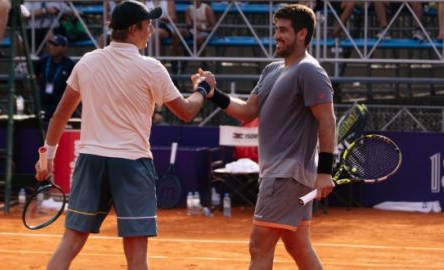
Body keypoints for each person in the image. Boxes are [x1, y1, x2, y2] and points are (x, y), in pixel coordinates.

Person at [34, 1, 215, 269]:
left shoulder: (87, 61)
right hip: (132, 162)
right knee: (136, 252)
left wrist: (47, 157)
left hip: (91, 160)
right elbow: (187, 112)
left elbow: (59, 115)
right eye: (148, 24)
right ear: (134, 28)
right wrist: (202, 88)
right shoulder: (151, 68)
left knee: (70, 242)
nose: (152, 29)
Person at [204, 4, 336, 269]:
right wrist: (213, 94)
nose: (277, 35)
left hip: (286, 176)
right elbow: (247, 111)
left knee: (259, 245)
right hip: (279, 174)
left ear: (302, 34)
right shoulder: (271, 70)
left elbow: (327, 121)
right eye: (276, 29)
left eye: (284, 30)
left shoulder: (310, 71)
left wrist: (325, 171)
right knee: (298, 246)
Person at [34, 34, 75, 123]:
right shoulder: (43, 61)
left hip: (61, 104)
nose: (52, 47)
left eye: (56, 45)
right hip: (44, 103)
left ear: (64, 48)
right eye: (51, 44)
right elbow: (35, 74)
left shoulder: (70, 64)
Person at [185, 0, 216, 69]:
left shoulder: (206, 8)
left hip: (205, 31)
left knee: (198, 38)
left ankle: (204, 62)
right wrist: (190, 23)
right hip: (192, 31)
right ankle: (177, 58)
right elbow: (188, 24)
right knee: (179, 32)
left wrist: (203, 29)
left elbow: (213, 27)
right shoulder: (188, 9)